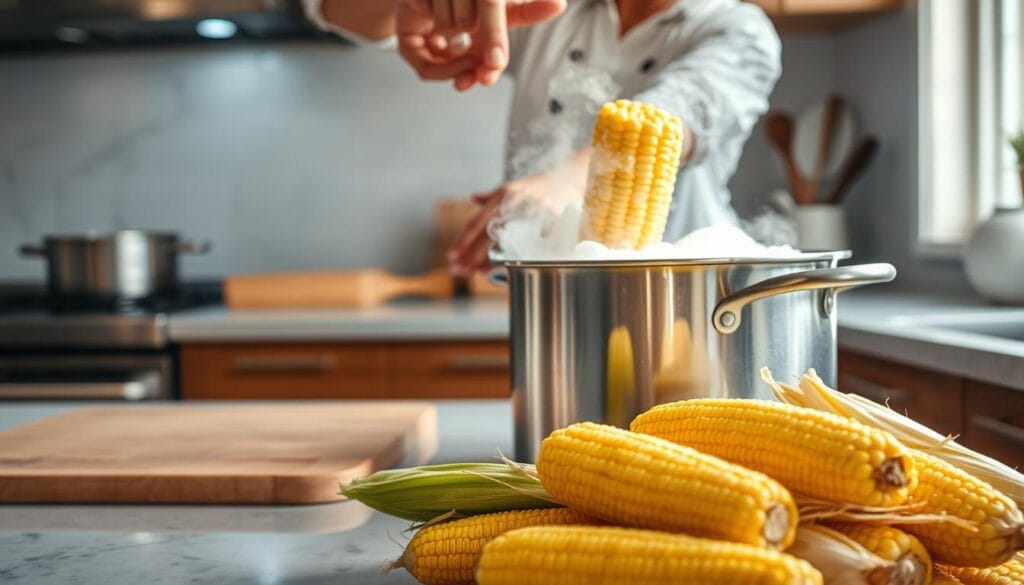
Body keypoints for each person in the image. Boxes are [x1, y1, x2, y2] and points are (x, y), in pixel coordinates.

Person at [304, 0, 782, 275]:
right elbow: (336, 10)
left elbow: (681, 111)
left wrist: (570, 181)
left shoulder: (738, 28)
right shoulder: (551, 8)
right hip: (557, 300)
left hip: (694, 301)